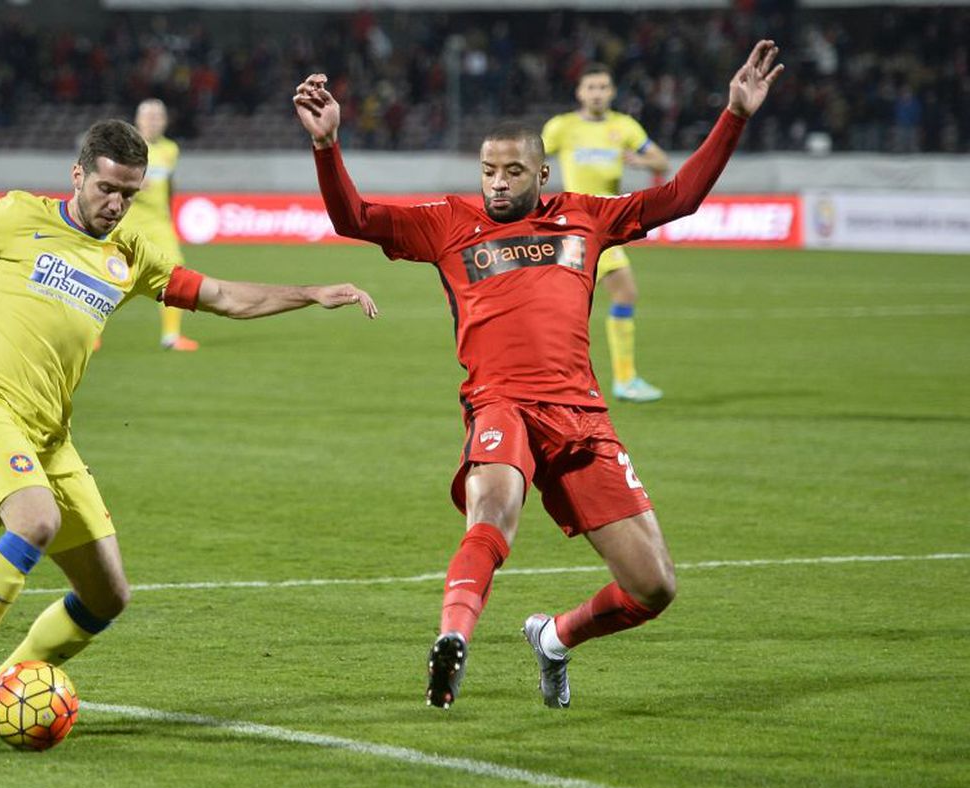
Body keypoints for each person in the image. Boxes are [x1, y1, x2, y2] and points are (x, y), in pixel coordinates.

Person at [294, 41, 782, 709]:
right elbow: (353, 218)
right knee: (492, 510)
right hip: (501, 407)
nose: (496, 182)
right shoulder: (446, 223)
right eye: (488, 170)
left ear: (541, 175)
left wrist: (733, 114)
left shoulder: (587, 217)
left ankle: (554, 637)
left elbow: (680, 197)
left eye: (512, 170)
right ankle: (452, 641)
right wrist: (327, 147)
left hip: (581, 418)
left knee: (654, 587)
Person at [0, 119, 377, 750]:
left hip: (50, 436)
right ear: (78, 175)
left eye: (129, 193)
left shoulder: (131, 253)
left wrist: (308, 292)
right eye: (107, 188)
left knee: (107, 595)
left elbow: (218, 295)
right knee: (34, 521)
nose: (116, 204)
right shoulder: (19, 215)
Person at [542, 65, 671, 403]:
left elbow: (661, 160)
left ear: (612, 92)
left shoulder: (623, 126)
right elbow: (531, 158)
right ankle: (615, 379)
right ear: (579, 93)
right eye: (591, 87)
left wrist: (640, 163)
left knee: (600, 299)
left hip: (608, 225)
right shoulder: (562, 127)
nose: (597, 93)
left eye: (603, 87)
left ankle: (612, 379)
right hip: (579, 224)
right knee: (599, 299)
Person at [125, 98, 198, 351]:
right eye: (149, 116)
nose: (154, 121)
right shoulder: (127, 148)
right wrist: (131, 185)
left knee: (175, 274)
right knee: (114, 279)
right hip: (129, 226)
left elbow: (169, 184)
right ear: (138, 120)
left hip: (160, 225)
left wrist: (169, 212)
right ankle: (88, 333)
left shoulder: (171, 149)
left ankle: (171, 336)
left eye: (158, 116)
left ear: (165, 121)